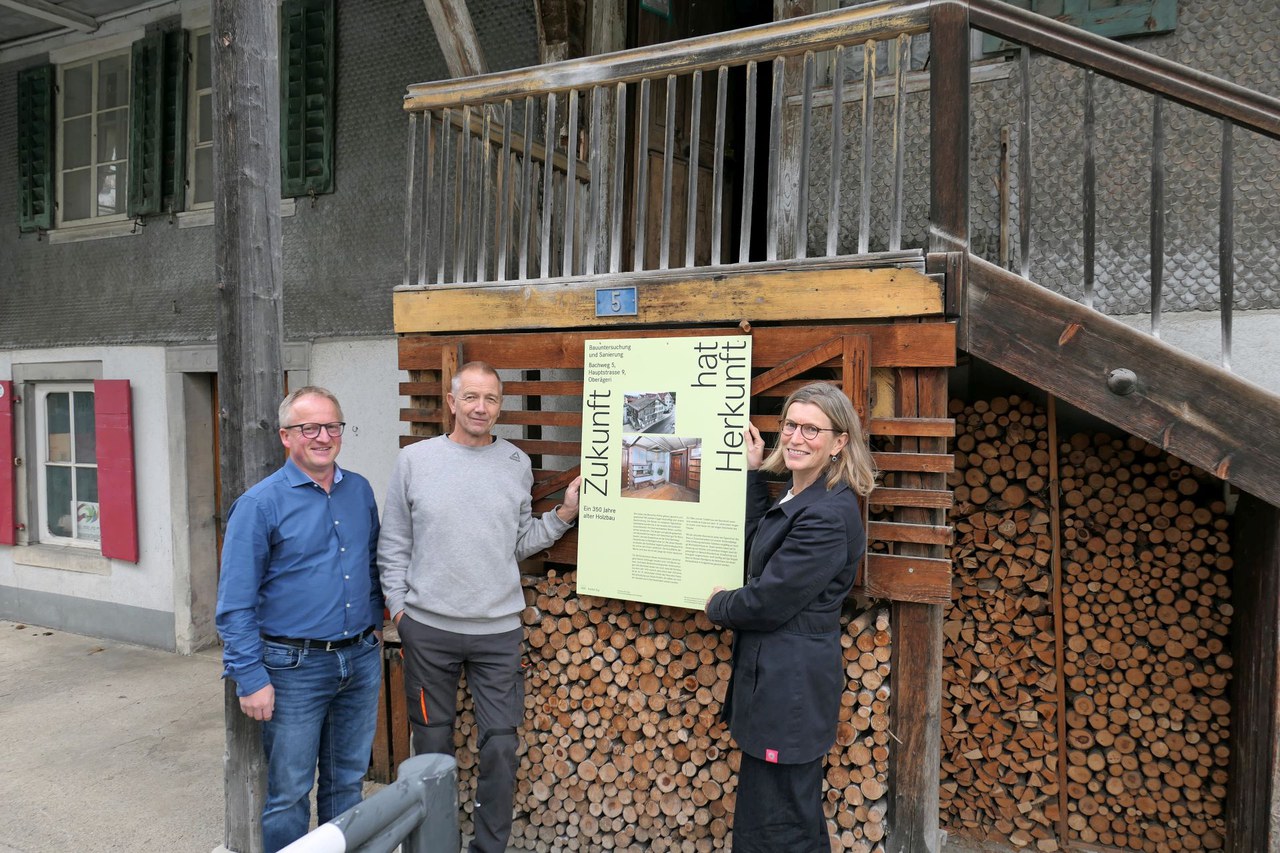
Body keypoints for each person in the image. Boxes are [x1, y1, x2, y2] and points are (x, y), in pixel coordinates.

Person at [378, 361, 580, 853]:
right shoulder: (415, 461)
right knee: (431, 747)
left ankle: (489, 848)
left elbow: (516, 542)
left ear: (500, 405)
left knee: (501, 746)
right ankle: (432, 845)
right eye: (470, 397)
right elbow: (394, 543)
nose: (480, 407)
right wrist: (400, 611)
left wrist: (564, 515)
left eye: (490, 399)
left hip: (497, 633)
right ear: (451, 402)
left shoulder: (514, 463)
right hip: (429, 630)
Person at [705, 381, 876, 852]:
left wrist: (718, 604)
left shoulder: (827, 513)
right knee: (783, 817)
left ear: (840, 441)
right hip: (776, 681)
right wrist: (755, 475)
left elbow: (768, 601)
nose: (796, 438)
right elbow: (760, 542)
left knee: (776, 826)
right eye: (790, 425)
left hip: (790, 687)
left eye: (811, 429)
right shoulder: (798, 495)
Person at [215, 387, 383, 853]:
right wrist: (249, 677)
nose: (323, 436)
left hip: (360, 658)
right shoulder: (260, 505)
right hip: (292, 668)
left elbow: (371, 566)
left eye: (332, 426)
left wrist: (375, 625)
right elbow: (234, 603)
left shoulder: (360, 490)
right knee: (289, 794)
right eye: (310, 428)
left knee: (347, 784)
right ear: (287, 436)